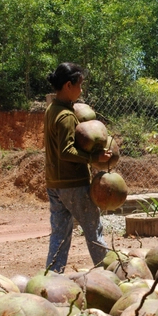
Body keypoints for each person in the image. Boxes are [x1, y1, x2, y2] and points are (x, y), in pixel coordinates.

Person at [44, 62, 112, 273]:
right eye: (79, 85)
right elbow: (66, 151)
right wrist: (94, 156)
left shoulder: (52, 110)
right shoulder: (65, 117)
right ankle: (108, 274)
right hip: (73, 183)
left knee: (60, 234)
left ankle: (52, 276)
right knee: (94, 230)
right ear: (68, 85)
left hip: (54, 183)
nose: (81, 90)